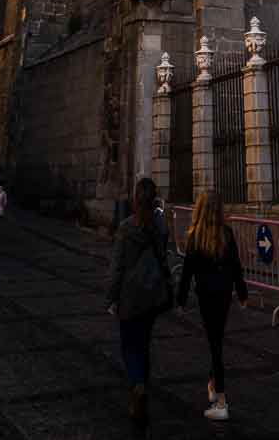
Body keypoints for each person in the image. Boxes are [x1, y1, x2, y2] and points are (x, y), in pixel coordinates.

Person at [105, 176, 171, 431]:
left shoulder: (126, 227)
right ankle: (142, 383)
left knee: (128, 345)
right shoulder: (160, 226)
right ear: (154, 199)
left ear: (135, 199)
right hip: (153, 294)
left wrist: (110, 297)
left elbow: (117, 267)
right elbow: (162, 256)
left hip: (129, 297)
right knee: (143, 343)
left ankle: (137, 385)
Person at [176, 191, 247, 422]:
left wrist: (181, 300)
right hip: (224, 295)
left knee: (215, 344)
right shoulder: (226, 233)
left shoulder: (195, 236)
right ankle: (212, 381)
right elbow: (236, 266)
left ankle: (222, 402)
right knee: (216, 340)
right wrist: (242, 293)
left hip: (206, 296)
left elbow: (187, 273)